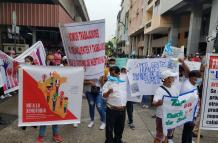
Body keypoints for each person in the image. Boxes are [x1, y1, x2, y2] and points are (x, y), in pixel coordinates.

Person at [153, 69, 180, 143]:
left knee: (168, 135)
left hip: (171, 117)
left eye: (172, 77)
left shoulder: (174, 88)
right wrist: (158, 103)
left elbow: (178, 100)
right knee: (159, 136)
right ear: (165, 79)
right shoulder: (159, 90)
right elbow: (154, 103)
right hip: (162, 117)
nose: (172, 79)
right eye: (170, 77)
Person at [103, 66, 127, 143]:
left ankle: (118, 140)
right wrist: (109, 92)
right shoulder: (108, 83)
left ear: (119, 73)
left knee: (120, 127)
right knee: (110, 128)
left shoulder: (124, 81)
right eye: (111, 74)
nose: (112, 75)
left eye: (114, 74)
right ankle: (109, 141)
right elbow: (104, 96)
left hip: (122, 110)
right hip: (112, 110)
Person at [180, 70, 201, 143]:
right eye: (197, 79)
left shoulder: (193, 84)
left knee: (189, 130)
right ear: (192, 78)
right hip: (189, 112)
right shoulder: (187, 87)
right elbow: (185, 102)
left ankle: (188, 141)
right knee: (187, 130)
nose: (199, 80)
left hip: (193, 111)